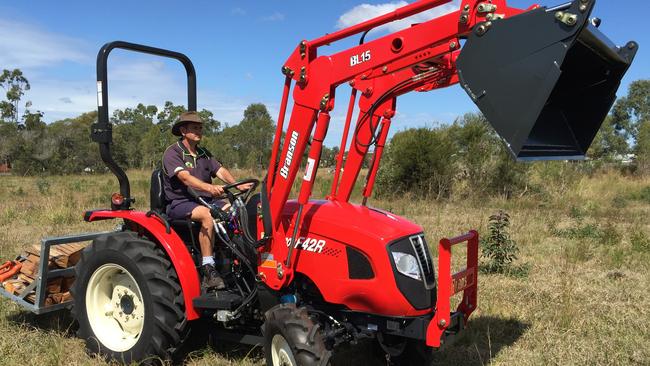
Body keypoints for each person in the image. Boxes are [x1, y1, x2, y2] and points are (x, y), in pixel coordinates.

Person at [162, 111, 251, 291]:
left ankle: (238, 258)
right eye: (195, 128)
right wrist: (210, 188)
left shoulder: (203, 153)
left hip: (204, 200)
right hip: (180, 202)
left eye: (200, 128)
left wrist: (237, 185)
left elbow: (220, 171)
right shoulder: (173, 153)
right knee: (207, 215)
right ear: (183, 130)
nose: (199, 131)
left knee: (235, 210)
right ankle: (209, 269)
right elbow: (185, 178)